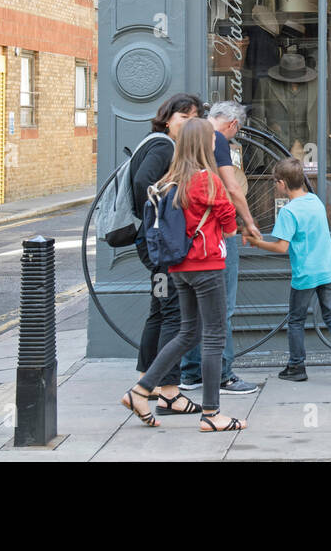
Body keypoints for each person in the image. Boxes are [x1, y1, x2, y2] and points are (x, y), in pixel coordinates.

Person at [121, 119, 243, 431]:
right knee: (213, 337)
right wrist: (231, 228)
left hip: (179, 268)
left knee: (187, 333)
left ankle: (141, 390)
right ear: (205, 145)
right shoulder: (206, 180)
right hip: (206, 266)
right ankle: (212, 414)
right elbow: (228, 221)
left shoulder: (170, 180)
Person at [245, 157, 331, 385]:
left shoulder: (289, 212)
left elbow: (281, 246)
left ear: (282, 183)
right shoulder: (315, 201)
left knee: (296, 320)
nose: (274, 186)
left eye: (275, 182)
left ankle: (296, 366)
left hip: (305, 274)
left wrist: (256, 242)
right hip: (328, 270)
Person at [181, 100, 263, 396]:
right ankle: (224, 375)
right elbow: (231, 187)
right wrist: (248, 223)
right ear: (233, 125)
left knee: (194, 312)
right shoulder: (215, 139)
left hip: (189, 235)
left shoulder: (188, 136)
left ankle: (190, 374)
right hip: (215, 233)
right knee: (222, 308)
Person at [129, 92, 200, 417]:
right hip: (160, 246)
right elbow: (145, 182)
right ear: (169, 118)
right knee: (174, 313)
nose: (187, 123)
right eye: (183, 117)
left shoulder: (152, 142)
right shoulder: (163, 146)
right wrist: (167, 207)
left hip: (151, 246)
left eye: (193, 118)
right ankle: (169, 392)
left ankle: (147, 381)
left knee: (159, 310)